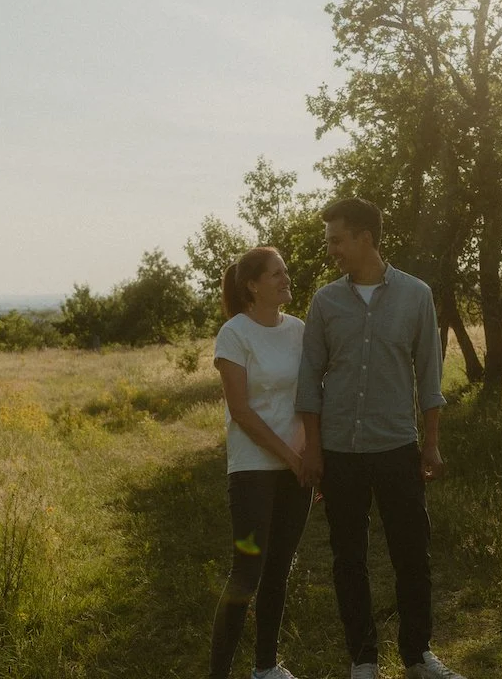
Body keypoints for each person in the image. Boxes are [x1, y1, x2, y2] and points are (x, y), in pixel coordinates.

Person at [296, 198, 466, 679]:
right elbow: (309, 380)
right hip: (341, 450)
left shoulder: (416, 296)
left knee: (411, 553)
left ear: (365, 237)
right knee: (348, 558)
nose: (331, 250)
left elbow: (429, 376)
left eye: (336, 240)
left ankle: (417, 656)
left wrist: (430, 443)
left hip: (396, 446)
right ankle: (363, 659)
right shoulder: (325, 302)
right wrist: (312, 447)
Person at [209, 247, 313, 679]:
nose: (286, 278)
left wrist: (312, 458)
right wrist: (291, 456)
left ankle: (266, 668)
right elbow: (242, 412)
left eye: (286, 271)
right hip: (254, 470)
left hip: (297, 471)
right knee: (247, 573)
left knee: (278, 571)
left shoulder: (300, 330)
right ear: (252, 285)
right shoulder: (234, 334)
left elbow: (309, 398)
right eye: (277, 273)